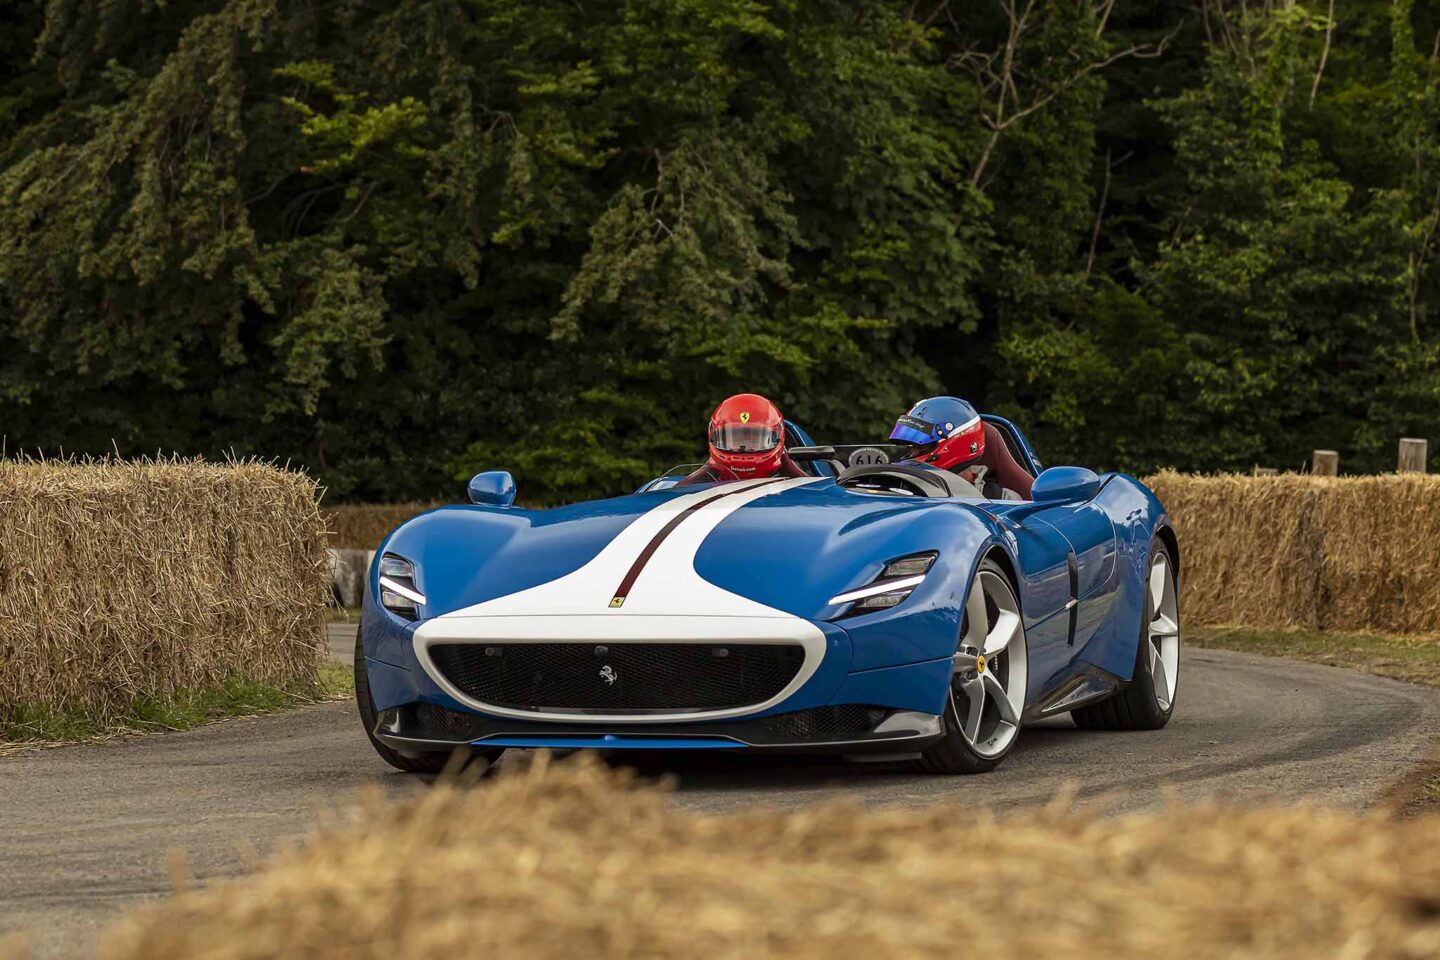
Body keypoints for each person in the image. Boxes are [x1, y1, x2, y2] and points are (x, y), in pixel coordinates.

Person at [889, 396, 1031, 500]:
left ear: (955, 443)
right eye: (912, 447)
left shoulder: (1001, 499)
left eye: (922, 447)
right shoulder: (899, 490)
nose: (912, 455)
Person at [676, 394, 809, 485]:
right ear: (714, 436)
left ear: (778, 439)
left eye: (752, 439)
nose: (743, 446)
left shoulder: (803, 486)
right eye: (736, 439)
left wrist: (788, 466)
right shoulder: (692, 485)